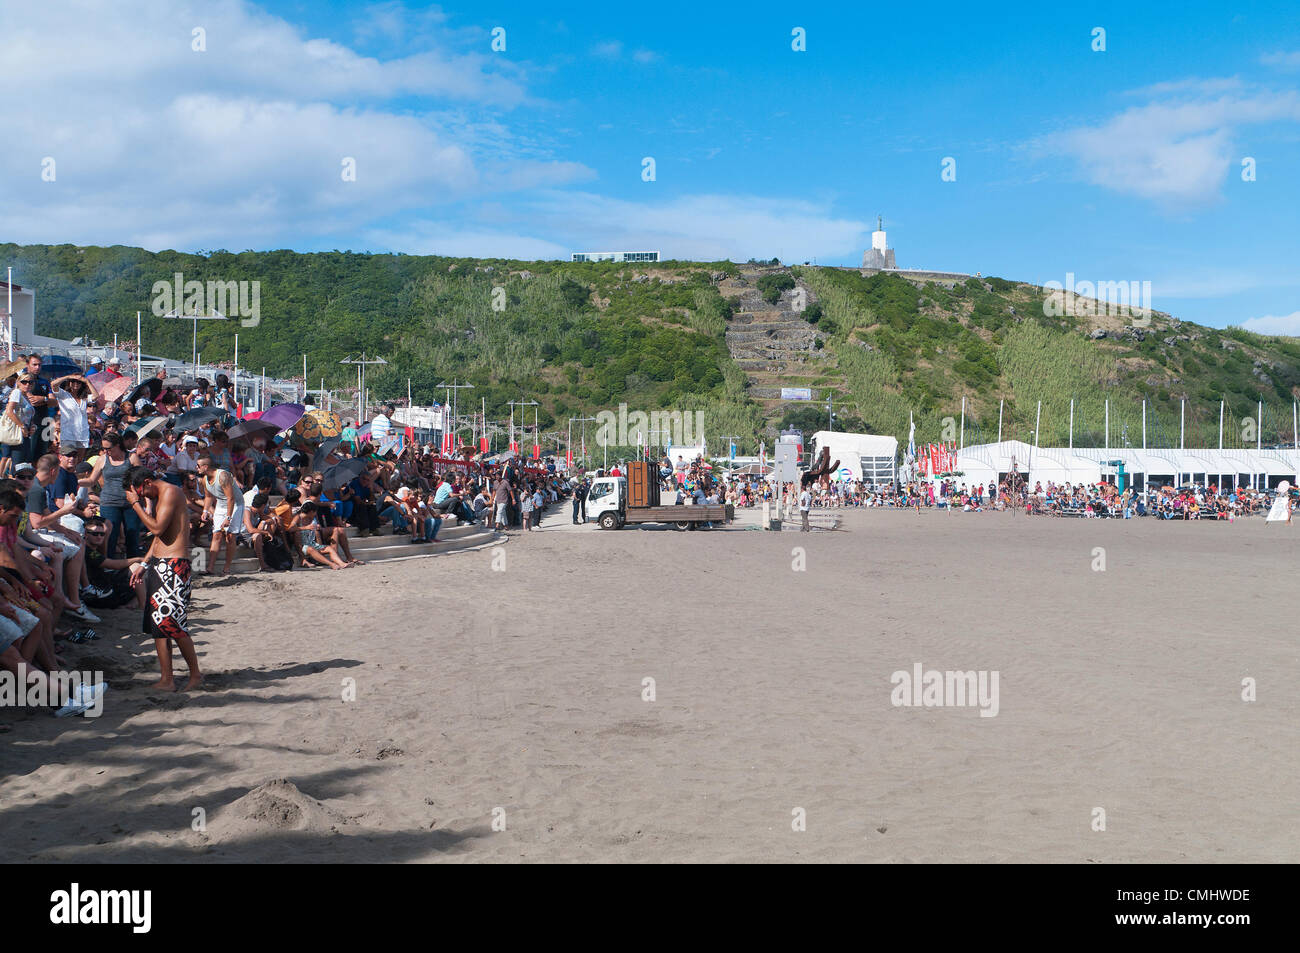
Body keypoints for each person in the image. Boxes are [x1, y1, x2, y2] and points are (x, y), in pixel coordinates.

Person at [124, 465, 201, 691]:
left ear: (147, 482)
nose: (141, 496)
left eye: (140, 491)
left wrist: (135, 504)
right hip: (161, 565)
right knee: (158, 626)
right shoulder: (161, 496)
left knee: (173, 624)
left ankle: (195, 675)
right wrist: (145, 564)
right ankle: (167, 679)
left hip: (175, 566)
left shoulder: (170, 492)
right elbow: (159, 538)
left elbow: (156, 529)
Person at [196, 450, 244, 576]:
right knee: (216, 535)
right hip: (221, 505)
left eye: (198, 466)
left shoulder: (223, 476)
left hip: (235, 505)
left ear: (205, 467)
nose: (196, 468)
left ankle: (226, 568)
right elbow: (208, 497)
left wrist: (228, 517)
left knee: (230, 537)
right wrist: (205, 511)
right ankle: (210, 568)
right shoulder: (204, 479)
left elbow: (231, 498)